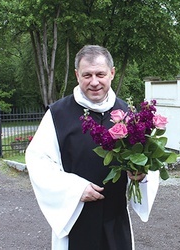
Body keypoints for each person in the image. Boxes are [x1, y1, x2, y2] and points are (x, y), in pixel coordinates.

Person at [25, 45, 160, 250]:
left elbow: (147, 160)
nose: (94, 82)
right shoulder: (57, 115)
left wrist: (141, 174)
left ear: (112, 73)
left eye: (100, 74)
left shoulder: (129, 114)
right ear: (77, 75)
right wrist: (75, 189)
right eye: (87, 75)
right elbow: (38, 161)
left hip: (116, 220)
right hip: (77, 217)